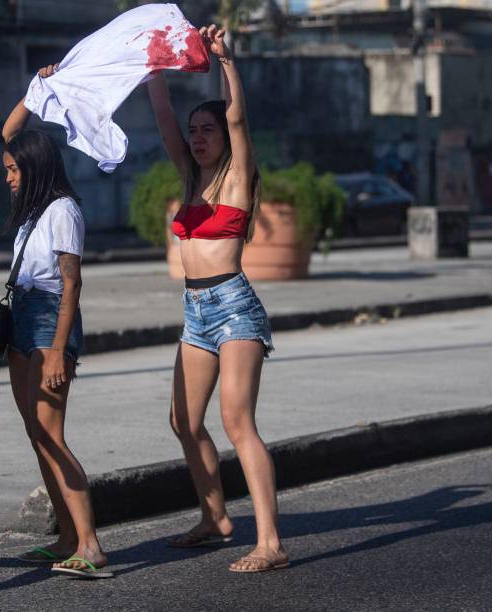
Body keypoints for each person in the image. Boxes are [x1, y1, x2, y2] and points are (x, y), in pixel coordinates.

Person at [146, 26, 288, 573]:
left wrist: (226, 62)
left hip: (233, 308)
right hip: (195, 311)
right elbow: (163, 121)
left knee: (237, 423)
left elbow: (237, 119)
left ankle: (270, 542)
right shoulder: (189, 179)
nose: (199, 136)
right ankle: (215, 518)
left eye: (208, 129)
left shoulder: (235, 178)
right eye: (194, 129)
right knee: (183, 420)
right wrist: (153, 71)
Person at [1, 69, 112, 580]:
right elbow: (10, 133)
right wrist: (34, 89)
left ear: (35, 168)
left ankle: (90, 544)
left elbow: (71, 285)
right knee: (34, 432)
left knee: (51, 434)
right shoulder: (33, 208)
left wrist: (56, 351)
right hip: (22, 317)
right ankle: (66, 535)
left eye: (14, 170)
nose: (8, 176)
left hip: (50, 320)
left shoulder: (64, 210)